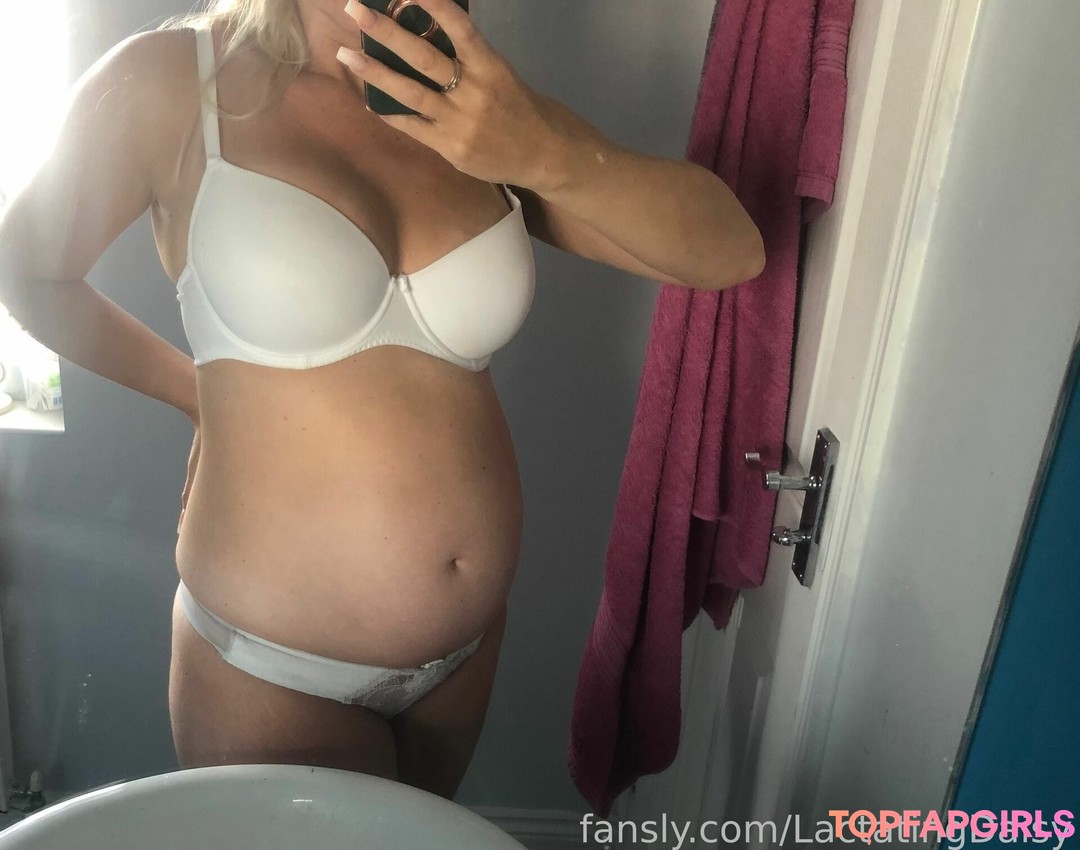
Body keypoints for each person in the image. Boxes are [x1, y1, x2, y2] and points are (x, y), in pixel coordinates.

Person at [0, 0, 765, 800]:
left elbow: (731, 250)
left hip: (462, 660)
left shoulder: (472, 104)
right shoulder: (173, 81)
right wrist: (193, 394)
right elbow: (25, 267)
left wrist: (540, 149)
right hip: (271, 671)